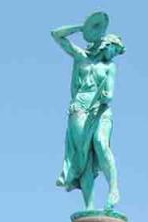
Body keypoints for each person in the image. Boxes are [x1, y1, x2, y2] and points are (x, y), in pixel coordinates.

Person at [51, 15, 125, 211]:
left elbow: (109, 91)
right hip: (79, 109)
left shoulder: (110, 67)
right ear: (104, 45)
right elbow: (56, 35)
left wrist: (105, 96)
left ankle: (114, 188)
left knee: (101, 143)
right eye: (113, 49)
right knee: (84, 157)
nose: (114, 54)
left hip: (101, 110)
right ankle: (89, 206)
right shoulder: (80, 57)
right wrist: (82, 28)